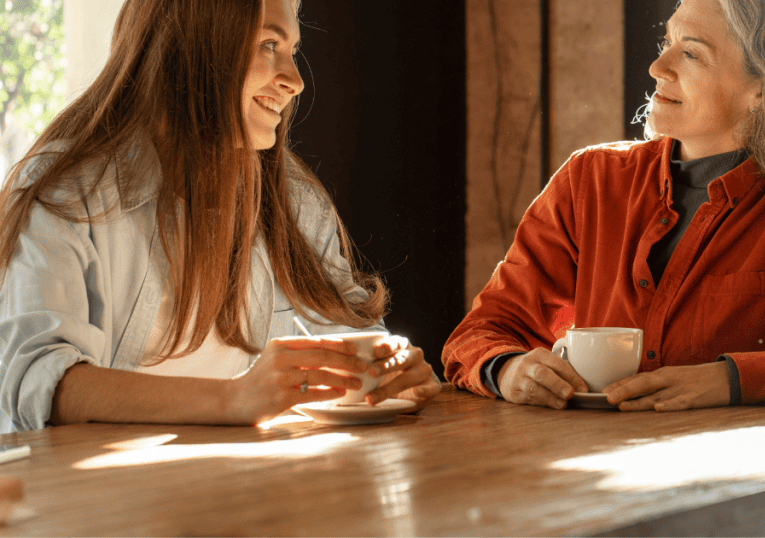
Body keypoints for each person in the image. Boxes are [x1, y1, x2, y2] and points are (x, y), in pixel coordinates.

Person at [442, 0, 765, 411]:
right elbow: (484, 332)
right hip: (592, 483)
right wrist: (506, 368)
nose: (657, 66)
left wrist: (731, 379)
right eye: (667, 42)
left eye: (691, 53)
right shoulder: (589, 180)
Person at [0, 0, 440, 432]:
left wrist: (387, 370)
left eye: (293, 51)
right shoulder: (65, 188)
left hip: (241, 490)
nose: (296, 81)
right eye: (270, 44)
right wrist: (234, 398)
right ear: (194, 42)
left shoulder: (293, 197)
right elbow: (39, 380)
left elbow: (345, 333)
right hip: (98, 500)